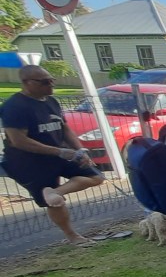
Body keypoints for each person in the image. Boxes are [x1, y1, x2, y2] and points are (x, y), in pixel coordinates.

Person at [0, 65, 105, 246]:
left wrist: (80, 150)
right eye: (44, 82)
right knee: (54, 203)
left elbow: (65, 128)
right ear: (27, 83)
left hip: (58, 154)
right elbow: (18, 141)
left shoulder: (51, 101)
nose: (51, 85)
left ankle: (56, 192)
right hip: (28, 162)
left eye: (51, 80)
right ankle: (73, 236)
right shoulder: (14, 106)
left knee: (96, 177)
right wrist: (60, 151)